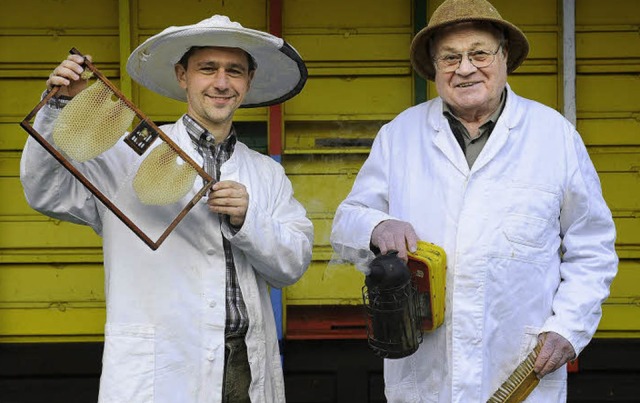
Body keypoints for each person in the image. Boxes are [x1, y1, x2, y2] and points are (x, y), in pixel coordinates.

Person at [330, 0, 618, 401]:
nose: (464, 68)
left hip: (519, 369)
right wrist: (377, 226)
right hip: (425, 373)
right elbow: (346, 221)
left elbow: (593, 248)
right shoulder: (399, 135)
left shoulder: (554, 136)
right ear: (434, 68)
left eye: (479, 53)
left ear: (504, 58)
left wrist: (570, 327)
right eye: (449, 57)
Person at [20, 15, 313, 403]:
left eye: (234, 71)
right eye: (207, 68)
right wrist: (58, 105)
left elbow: (292, 264)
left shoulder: (264, 173)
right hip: (161, 368)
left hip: (243, 366)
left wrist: (248, 219)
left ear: (249, 80)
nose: (221, 83)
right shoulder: (126, 154)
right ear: (182, 75)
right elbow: (46, 192)